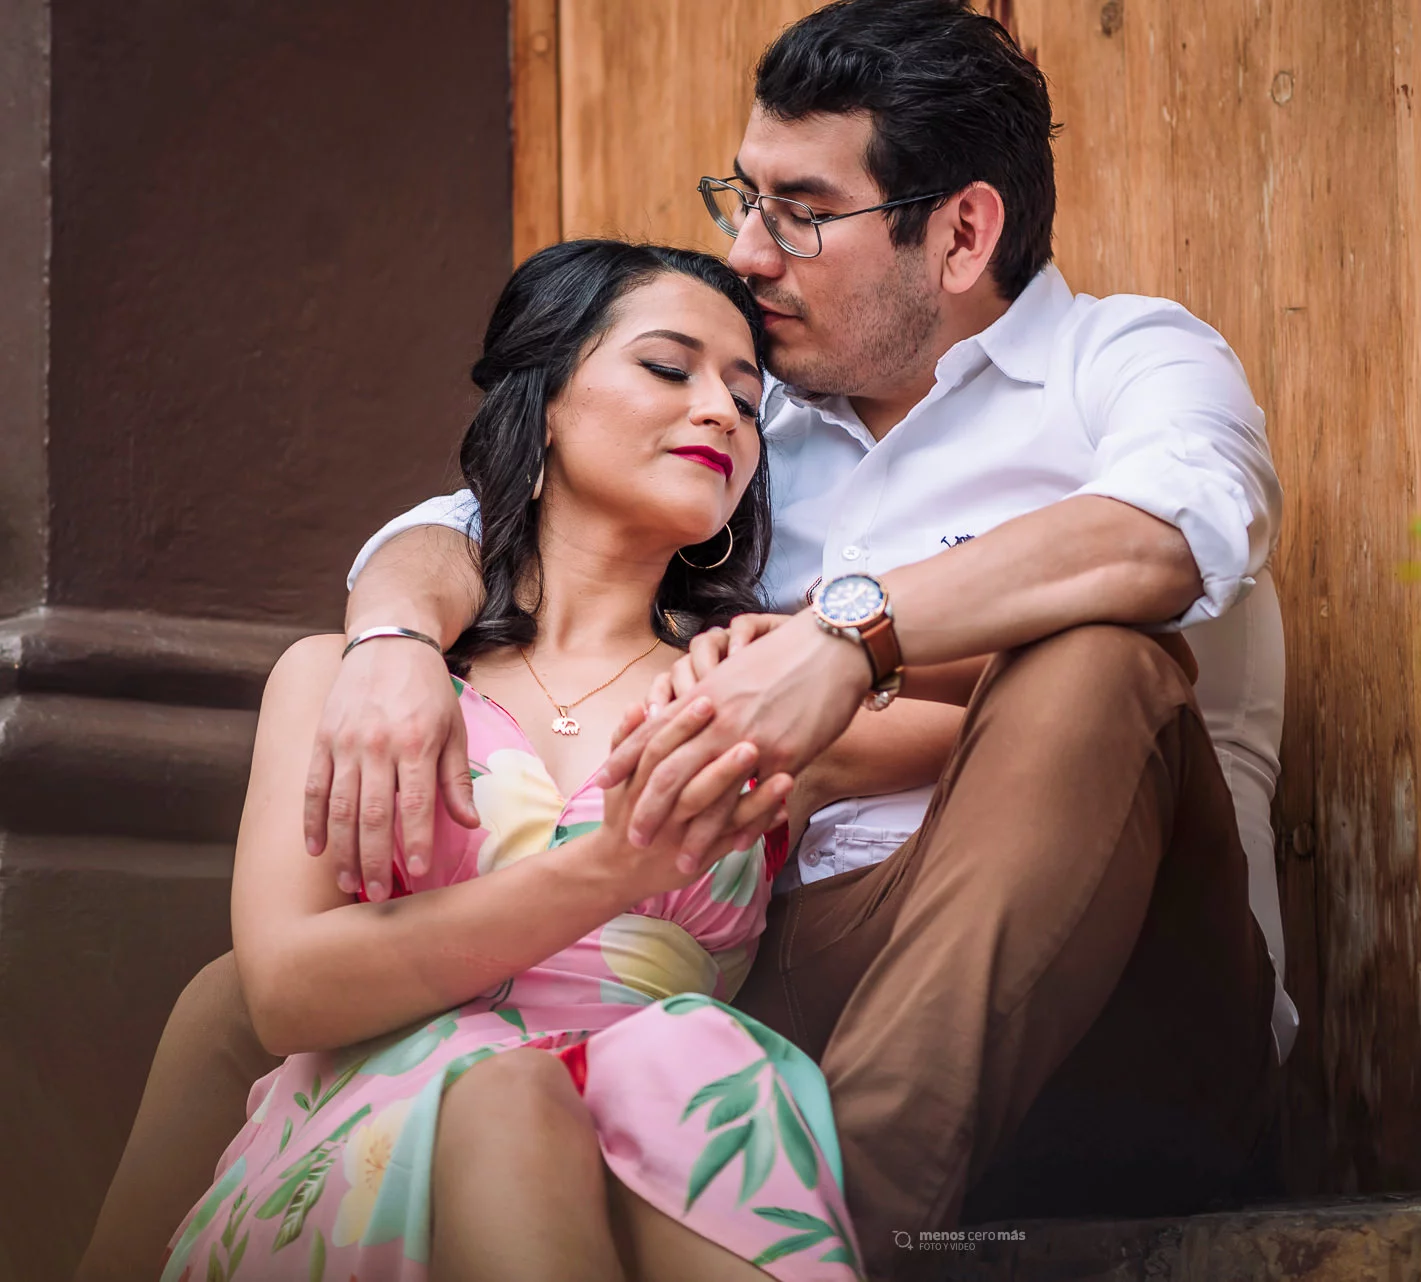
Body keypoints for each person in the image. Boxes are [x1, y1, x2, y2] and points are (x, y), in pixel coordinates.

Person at [82, 3, 1291, 1278]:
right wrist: (385, 639)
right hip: (782, 969)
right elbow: (475, 519)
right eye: (742, 199)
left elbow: (1175, 526)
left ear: (960, 232)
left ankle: (838, 1228)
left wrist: (848, 641)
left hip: (1102, 986)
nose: (749, 253)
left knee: (1100, 657)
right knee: (255, 996)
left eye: (800, 213)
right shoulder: (751, 430)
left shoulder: (1123, 360)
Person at [158, 239, 863, 1282]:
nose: (722, 411)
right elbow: (287, 994)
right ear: (542, 405)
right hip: (379, 1136)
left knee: (686, 1059)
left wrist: (848, 642)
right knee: (507, 1092)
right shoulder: (351, 678)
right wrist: (614, 870)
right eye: (668, 369)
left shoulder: (755, 689)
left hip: (670, 1119)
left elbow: (994, 713)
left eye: (747, 399)